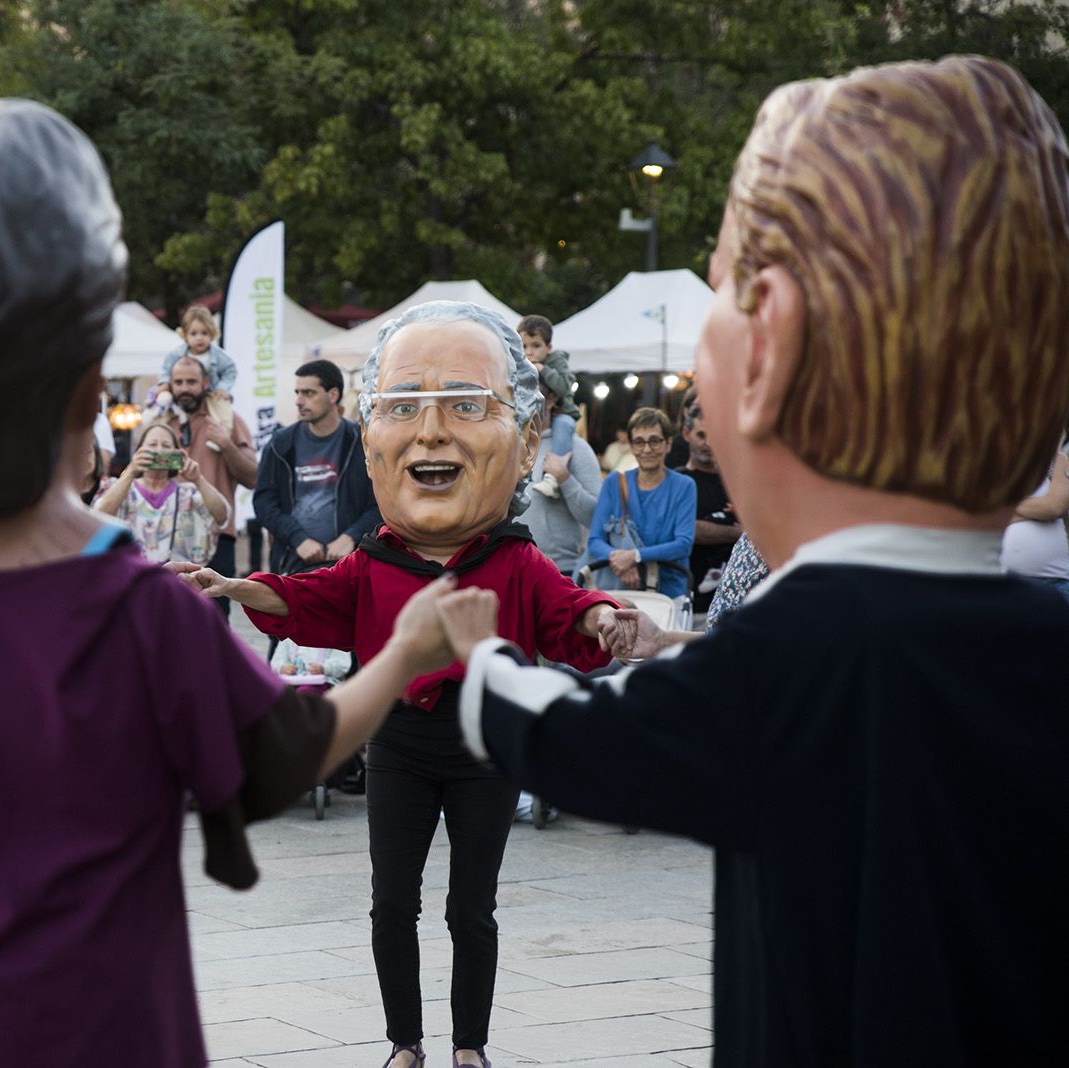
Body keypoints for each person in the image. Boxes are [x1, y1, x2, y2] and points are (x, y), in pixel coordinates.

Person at [0, 97, 483, 1067]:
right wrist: (409, 651)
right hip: (88, 1029)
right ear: (87, 387)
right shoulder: (129, 601)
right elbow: (286, 750)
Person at [442, 56, 1069, 1065]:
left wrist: (480, 662)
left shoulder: (791, 653)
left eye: (724, 284)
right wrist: (677, 639)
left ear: (768, 346)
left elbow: (581, 739)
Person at [179, 301, 627, 1068]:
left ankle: (470, 1047)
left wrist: (603, 619)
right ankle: (404, 1044)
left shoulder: (513, 560)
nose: (431, 433)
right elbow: (306, 598)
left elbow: (568, 612)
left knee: (471, 909)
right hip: (400, 746)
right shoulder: (375, 562)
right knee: (393, 904)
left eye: (461, 406)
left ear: (520, 440)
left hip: (487, 745)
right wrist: (233, 585)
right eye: (405, 408)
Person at [254, 358, 381, 575]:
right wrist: (297, 538)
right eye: (297, 393)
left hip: (352, 565)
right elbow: (264, 502)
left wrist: (351, 536)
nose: (298, 401)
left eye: (308, 393)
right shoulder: (280, 444)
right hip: (294, 563)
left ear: (332, 395)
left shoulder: (362, 443)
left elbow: (382, 501)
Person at [164, 354, 258, 617]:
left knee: (213, 619)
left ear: (206, 382)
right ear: (169, 384)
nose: (184, 388)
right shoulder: (160, 422)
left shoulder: (226, 420)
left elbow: (254, 478)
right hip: (163, 538)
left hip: (216, 538)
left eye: (191, 381)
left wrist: (227, 444)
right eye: (178, 381)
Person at [584, 407, 696, 596]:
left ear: (668, 444)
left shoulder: (684, 486)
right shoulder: (614, 482)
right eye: (639, 442)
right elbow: (595, 540)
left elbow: (683, 544)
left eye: (654, 441)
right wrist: (620, 561)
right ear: (631, 446)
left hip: (667, 592)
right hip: (619, 591)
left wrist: (634, 557)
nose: (646, 449)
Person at [93, 420, 228, 564]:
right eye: (152, 445)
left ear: (177, 453)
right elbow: (98, 516)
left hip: (177, 580)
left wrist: (198, 479)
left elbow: (221, 516)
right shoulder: (120, 488)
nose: (158, 450)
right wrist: (130, 472)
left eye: (166, 446)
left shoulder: (189, 493)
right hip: (129, 579)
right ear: (139, 451)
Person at [517, 385, 603, 579]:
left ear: (550, 400)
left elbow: (596, 516)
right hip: (513, 569)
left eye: (534, 396)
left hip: (559, 572)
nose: (525, 402)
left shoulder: (577, 448)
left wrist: (565, 479)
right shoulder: (506, 445)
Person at [677, 391, 742, 613]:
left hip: (738, 603)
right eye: (701, 434)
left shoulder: (739, 481)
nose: (708, 443)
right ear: (686, 433)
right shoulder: (677, 482)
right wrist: (738, 532)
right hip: (692, 603)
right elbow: (685, 530)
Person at [517, 315, 582, 501]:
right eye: (524, 346)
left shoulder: (557, 362)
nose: (529, 351)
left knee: (564, 426)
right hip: (529, 415)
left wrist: (542, 369)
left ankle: (552, 478)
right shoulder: (519, 364)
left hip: (560, 413)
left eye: (536, 346)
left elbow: (564, 387)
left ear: (549, 348)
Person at [1002, 436, 1069, 601]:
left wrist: (1003, 505)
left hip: (1054, 581)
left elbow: (1054, 507)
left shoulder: (1059, 461)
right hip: (1002, 582)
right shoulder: (991, 464)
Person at [159, 305, 237, 435]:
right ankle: (161, 433)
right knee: (163, 406)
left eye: (204, 333)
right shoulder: (177, 354)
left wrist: (223, 388)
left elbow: (230, 371)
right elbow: (166, 369)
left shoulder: (218, 355)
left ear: (212, 334)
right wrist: (164, 383)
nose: (199, 338)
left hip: (211, 393)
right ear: (185, 335)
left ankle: (223, 435)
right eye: (194, 334)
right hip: (184, 396)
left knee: (223, 411)